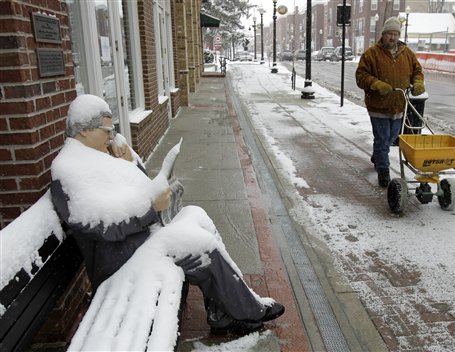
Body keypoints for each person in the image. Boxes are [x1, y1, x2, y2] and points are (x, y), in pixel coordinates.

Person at [50, 94, 284, 336]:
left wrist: (131, 161)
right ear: (84, 130)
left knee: (196, 214)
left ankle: (222, 313)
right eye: (106, 131)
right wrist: (151, 207)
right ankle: (248, 310)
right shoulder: (68, 171)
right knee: (198, 245)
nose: (112, 138)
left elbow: (135, 189)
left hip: (142, 243)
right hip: (121, 265)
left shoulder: (97, 157)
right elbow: (103, 227)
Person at [356, 17, 425, 187]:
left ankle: (377, 155)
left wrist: (418, 82)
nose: (392, 38)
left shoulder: (407, 53)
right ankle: (383, 171)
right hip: (378, 106)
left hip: (399, 105)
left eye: (395, 34)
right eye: (389, 34)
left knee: (391, 138)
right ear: (383, 35)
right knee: (382, 138)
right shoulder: (371, 54)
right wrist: (376, 84)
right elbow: (361, 76)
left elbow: (417, 70)